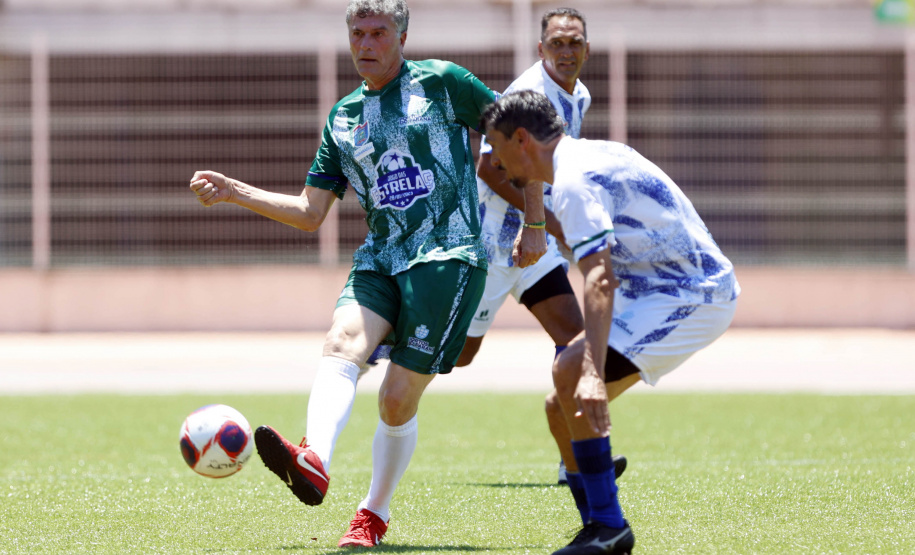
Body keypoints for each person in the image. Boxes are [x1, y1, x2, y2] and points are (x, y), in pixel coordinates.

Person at [189, 0, 545, 547]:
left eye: (379, 32)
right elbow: (311, 214)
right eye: (358, 32)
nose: (367, 42)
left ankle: (372, 513)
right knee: (341, 344)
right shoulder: (343, 117)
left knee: (396, 400)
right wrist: (236, 191)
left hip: (448, 256)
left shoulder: (445, 82)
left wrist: (535, 222)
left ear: (403, 36)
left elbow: (520, 139)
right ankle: (314, 460)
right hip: (380, 257)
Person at [481, 90, 740, 555]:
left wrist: (594, 375)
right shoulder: (583, 157)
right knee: (558, 406)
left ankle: (607, 526)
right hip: (653, 287)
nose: (495, 163)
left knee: (572, 373)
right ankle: (600, 530)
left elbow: (599, 279)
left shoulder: (576, 182)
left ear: (521, 140)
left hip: (692, 294)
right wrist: (540, 227)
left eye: (496, 148)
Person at [452, 6, 626, 509]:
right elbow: (489, 167)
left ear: (587, 48)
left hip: (536, 247)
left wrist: (556, 228)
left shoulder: (581, 95)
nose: (567, 52)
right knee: (458, 356)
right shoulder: (525, 96)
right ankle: (387, 336)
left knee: (576, 343)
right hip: (491, 246)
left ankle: (574, 454)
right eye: (557, 44)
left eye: (575, 43)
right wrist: (546, 223)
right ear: (540, 49)